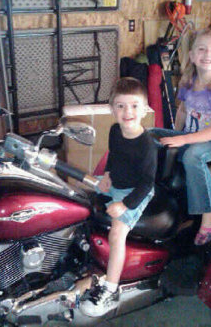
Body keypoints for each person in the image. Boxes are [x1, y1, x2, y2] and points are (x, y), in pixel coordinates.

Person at [80, 77, 157, 317]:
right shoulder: (115, 130)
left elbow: (147, 183)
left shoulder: (147, 145)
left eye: (134, 106)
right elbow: (113, 155)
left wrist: (124, 205)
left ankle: (111, 290)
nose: (127, 112)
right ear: (112, 109)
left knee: (117, 233)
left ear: (144, 110)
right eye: (121, 106)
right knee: (80, 198)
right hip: (116, 183)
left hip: (136, 191)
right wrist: (107, 175)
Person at [152, 28, 211, 245]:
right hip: (189, 136)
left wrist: (181, 141)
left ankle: (210, 213)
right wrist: (175, 134)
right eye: (202, 49)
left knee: (191, 157)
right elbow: (182, 110)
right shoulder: (187, 82)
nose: (207, 54)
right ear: (191, 55)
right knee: (152, 135)